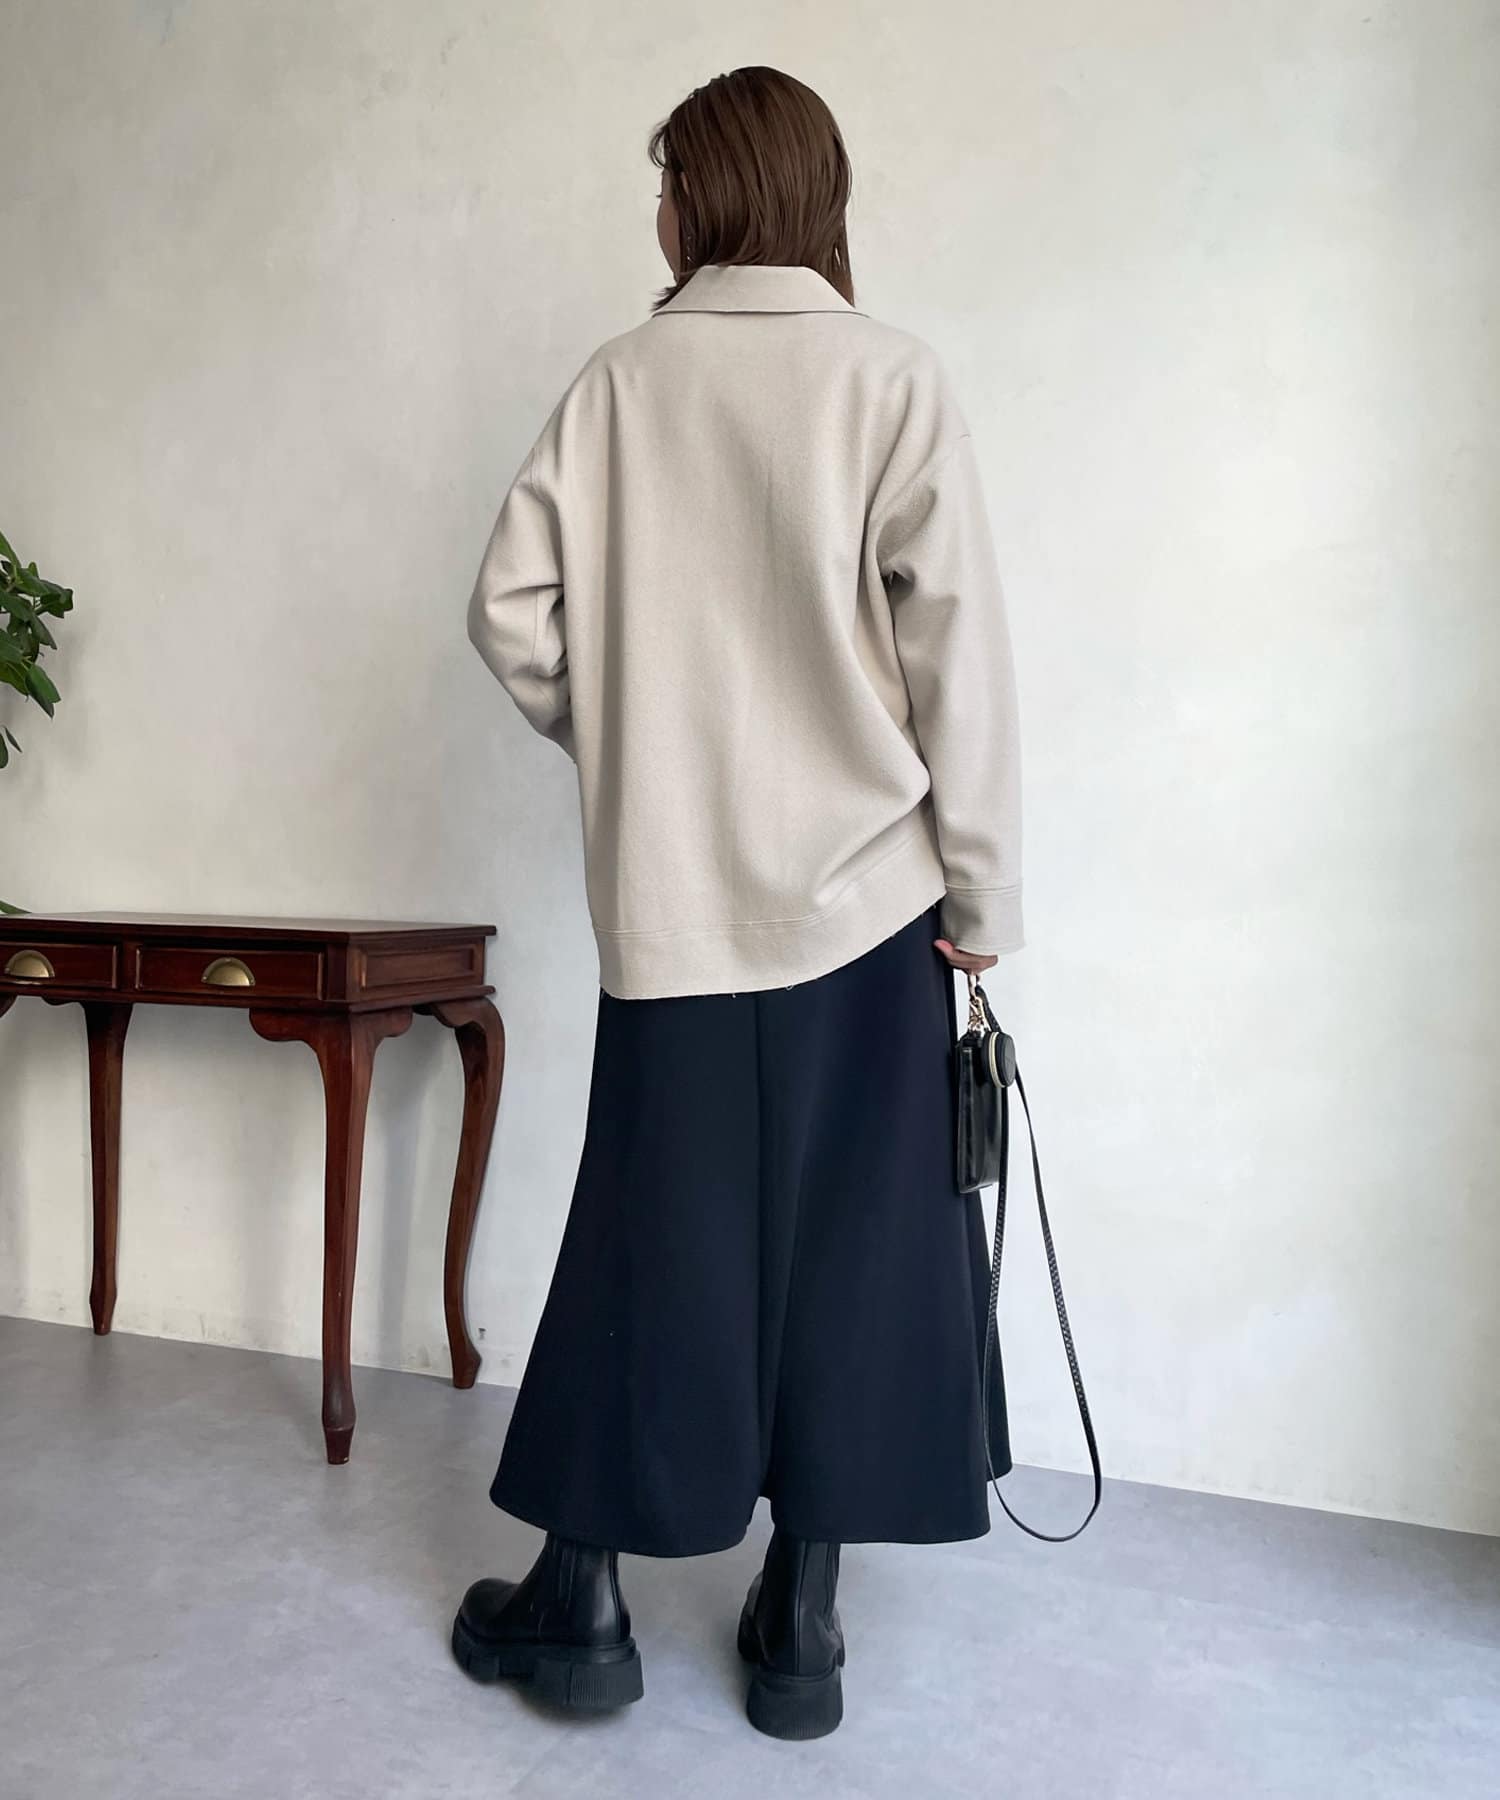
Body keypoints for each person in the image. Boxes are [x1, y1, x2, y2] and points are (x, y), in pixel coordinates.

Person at [453, 64, 1023, 1741]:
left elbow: (510, 612)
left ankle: (583, 1602)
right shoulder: (895, 378)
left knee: (652, 1235)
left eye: (666, 183)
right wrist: (982, 891)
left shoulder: (622, 384)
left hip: (678, 901)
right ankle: (802, 1625)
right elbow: (961, 662)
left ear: (703, 197)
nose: (656, 212)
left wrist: (625, 740)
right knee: (860, 1249)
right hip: (874, 907)